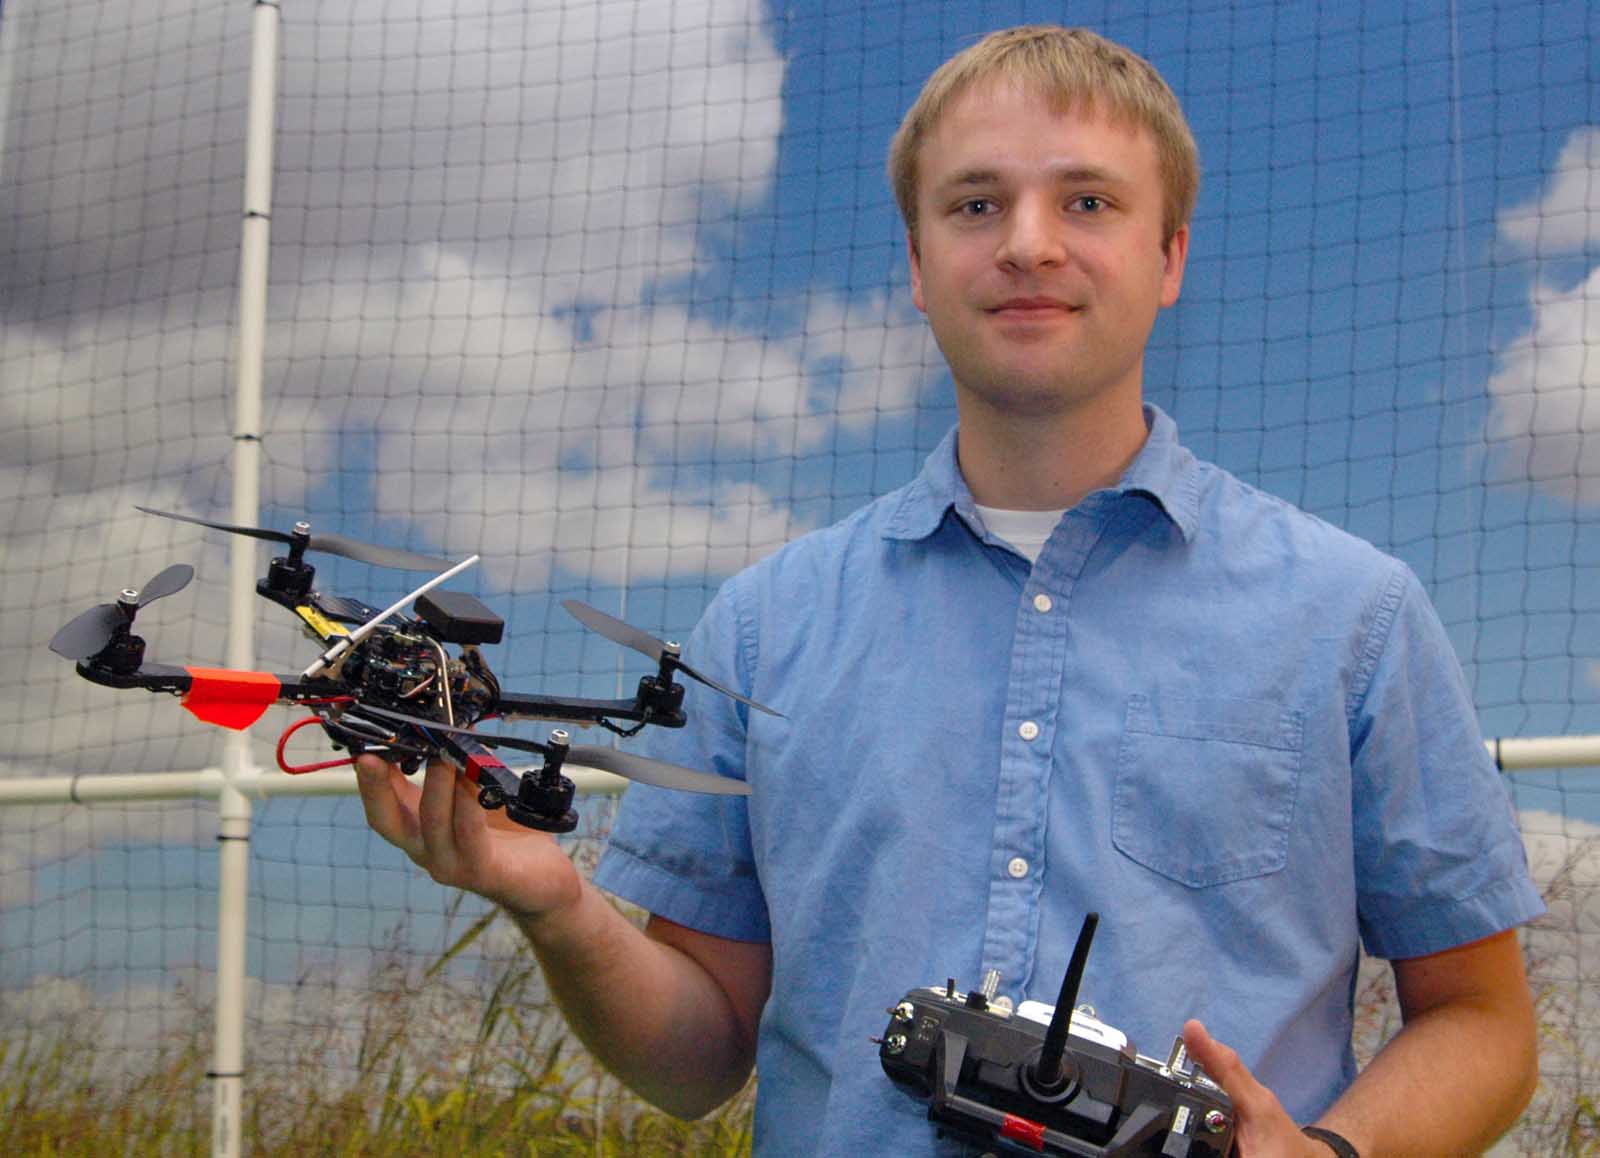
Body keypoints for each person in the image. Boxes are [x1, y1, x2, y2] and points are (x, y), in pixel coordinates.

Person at [355, 25, 1543, 1157]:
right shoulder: (765, 630)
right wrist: (554, 905)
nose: (1028, 243)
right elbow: (695, 1062)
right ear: (918, 266)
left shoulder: (1352, 617)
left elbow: (1483, 1025)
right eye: (976, 205)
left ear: (1170, 254)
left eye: (1088, 201)